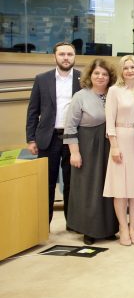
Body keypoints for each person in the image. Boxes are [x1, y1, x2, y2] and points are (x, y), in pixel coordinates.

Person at [63, 58, 118, 244]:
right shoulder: (80, 96)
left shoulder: (114, 94)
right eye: (97, 73)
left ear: (110, 77)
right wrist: (74, 152)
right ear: (90, 75)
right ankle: (89, 229)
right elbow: (70, 126)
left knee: (108, 186)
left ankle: (108, 228)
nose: (100, 77)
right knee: (88, 188)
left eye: (104, 74)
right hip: (87, 148)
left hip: (110, 147)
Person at [26, 41, 81, 224]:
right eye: (62, 54)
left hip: (74, 139)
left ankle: (72, 223)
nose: (66, 58)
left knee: (72, 182)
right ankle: (44, 224)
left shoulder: (83, 79)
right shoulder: (42, 79)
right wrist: (31, 139)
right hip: (47, 138)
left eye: (69, 54)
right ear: (54, 56)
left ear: (75, 57)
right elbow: (33, 111)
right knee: (46, 183)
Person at [103, 55, 134, 246]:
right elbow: (109, 120)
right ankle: (122, 227)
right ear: (121, 71)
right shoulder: (114, 91)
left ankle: (133, 228)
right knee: (120, 188)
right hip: (120, 139)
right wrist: (114, 146)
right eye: (126, 68)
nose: (130, 71)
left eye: (133, 67)